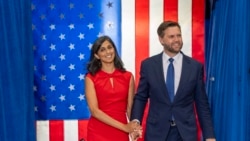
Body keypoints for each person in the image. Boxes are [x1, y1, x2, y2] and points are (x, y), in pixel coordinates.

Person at [130, 21, 216, 141]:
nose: (176, 39)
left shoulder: (195, 67)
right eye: (171, 36)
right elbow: (141, 97)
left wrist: (209, 135)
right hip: (156, 133)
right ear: (161, 40)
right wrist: (135, 122)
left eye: (178, 35)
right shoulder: (148, 65)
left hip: (185, 134)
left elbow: (201, 103)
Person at [85, 35, 140, 141]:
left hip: (121, 132)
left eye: (110, 47)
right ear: (97, 55)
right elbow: (94, 111)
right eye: (102, 50)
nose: (108, 52)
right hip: (98, 131)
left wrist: (134, 129)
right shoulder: (90, 77)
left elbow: (130, 108)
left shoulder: (128, 76)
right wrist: (124, 127)